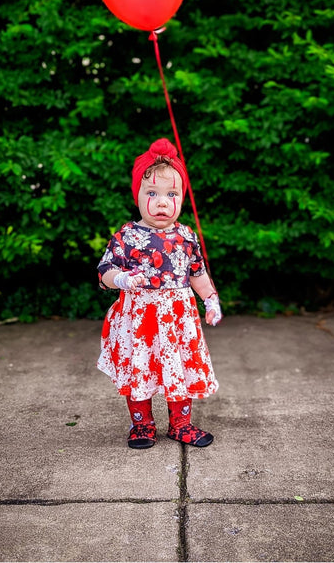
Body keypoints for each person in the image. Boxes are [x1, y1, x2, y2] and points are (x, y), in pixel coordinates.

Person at [97, 137, 222, 449]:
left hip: (178, 319)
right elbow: (104, 272)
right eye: (152, 192)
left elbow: (197, 272)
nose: (163, 202)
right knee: (140, 367)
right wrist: (121, 279)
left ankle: (180, 424)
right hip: (140, 319)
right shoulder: (127, 235)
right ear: (138, 194)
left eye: (172, 194)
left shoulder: (186, 235)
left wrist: (210, 298)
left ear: (182, 197)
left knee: (180, 367)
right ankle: (142, 424)